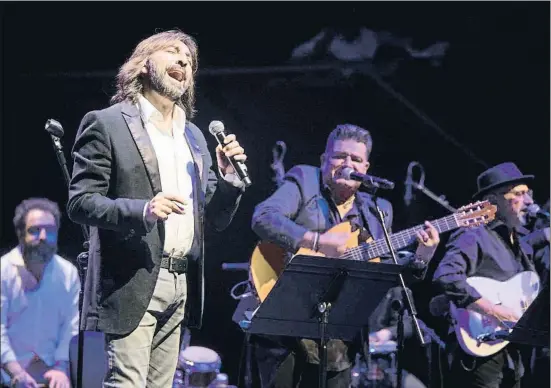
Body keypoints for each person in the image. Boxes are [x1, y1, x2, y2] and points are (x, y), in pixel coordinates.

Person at [67, 30, 247, 387]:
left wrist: (229, 182)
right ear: (143, 63)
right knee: (128, 383)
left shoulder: (193, 137)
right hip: (131, 277)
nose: (183, 61)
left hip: (182, 281)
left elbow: (211, 217)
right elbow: (81, 201)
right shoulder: (108, 123)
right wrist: (143, 210)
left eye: (190, 60)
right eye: (173, 52)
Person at [250, 124, 440, 388]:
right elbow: (264, 217)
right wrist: (317, 241)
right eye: (340, 156)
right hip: (286, 327)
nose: (347, 163)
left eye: (356, 159)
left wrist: (422, 257)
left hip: (339, 340)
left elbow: (385, 273)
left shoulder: (377, 210)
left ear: (365, 168)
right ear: (324, 160)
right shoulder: (305, 180)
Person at [433, 162, 549, 388]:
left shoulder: (518, 243)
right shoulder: (474, 234)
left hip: (508, 350)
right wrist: (494, 310)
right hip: (478, 351)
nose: (530, 202)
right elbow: (447, 275)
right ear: (494, 201)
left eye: (529, 193)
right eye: (520, 194)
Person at [1, 198, 79, 388]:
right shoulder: (3, 270)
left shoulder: (68, 273)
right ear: (21, 234)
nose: (43, 236)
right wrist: (16, 373)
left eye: (50, 231)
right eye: (35, 230)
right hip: (6, 373)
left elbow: (70, 327)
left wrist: (61, 369)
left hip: (52, 374)